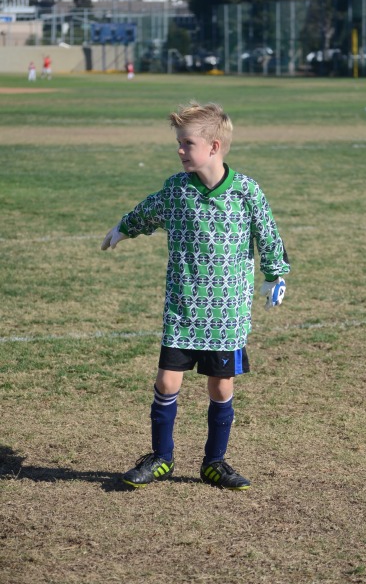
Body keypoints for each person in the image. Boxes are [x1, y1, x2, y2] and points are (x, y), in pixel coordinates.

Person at [101, 101, 290, 490]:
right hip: (183, 308)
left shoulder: (246, 191)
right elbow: (149, 211)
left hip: (226, 314)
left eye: (187, 143)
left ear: (214, 146)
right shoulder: (176, 190)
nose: (180, 150)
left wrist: (275, 274)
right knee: (167, 383)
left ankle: (214, 462)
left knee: (221, 387)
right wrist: (124, 227)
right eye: (179, 142)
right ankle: (161, 458)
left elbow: (268, 232)